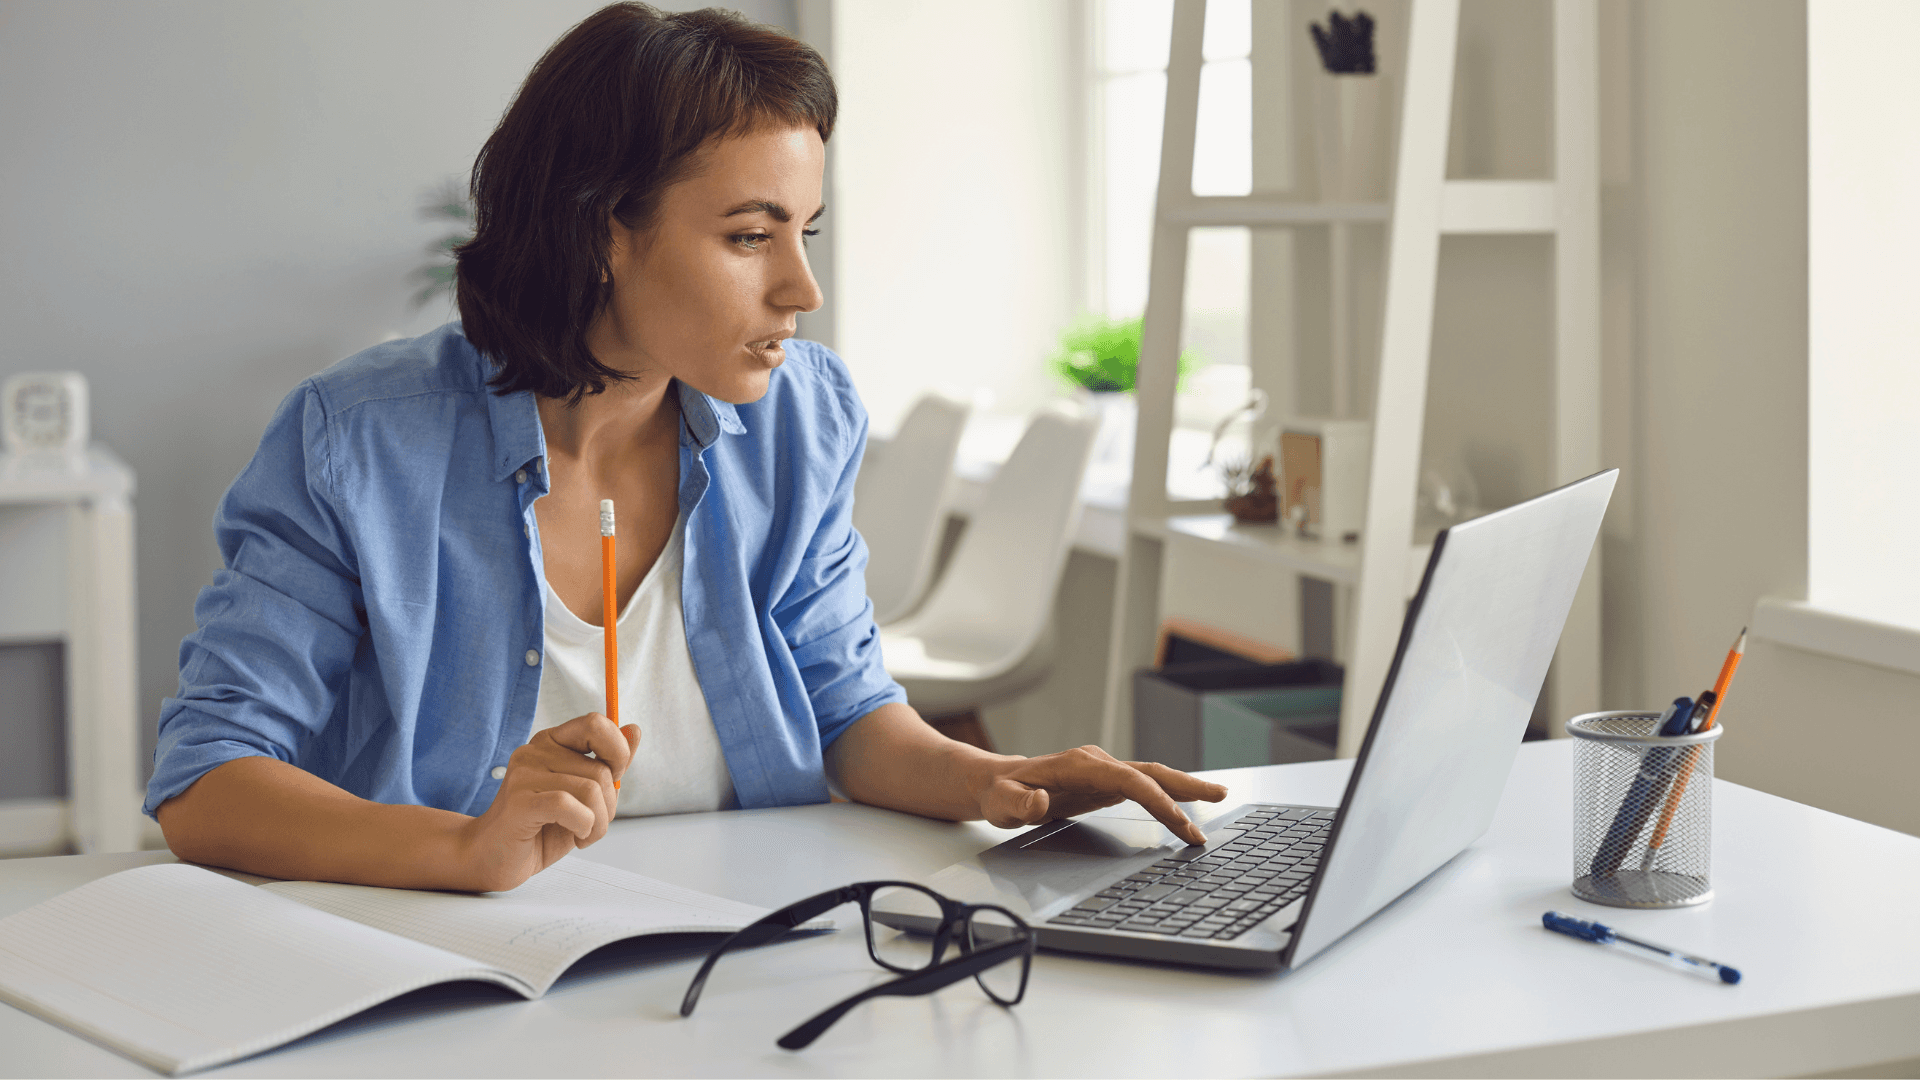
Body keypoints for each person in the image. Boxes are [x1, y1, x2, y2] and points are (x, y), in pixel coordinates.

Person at [150, 2, 1223, 893]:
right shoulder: (361, 440)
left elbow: (847, 708)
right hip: (452, 971)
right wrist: (463, 849)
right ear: (601, 231)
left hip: (739, 947)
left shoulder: (803, 412)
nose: (802, 289)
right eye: (750, 236)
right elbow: (208, 780)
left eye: (806, 233)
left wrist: (1000, 782)